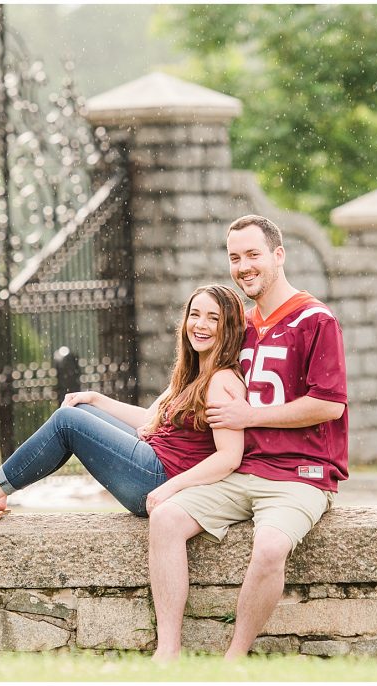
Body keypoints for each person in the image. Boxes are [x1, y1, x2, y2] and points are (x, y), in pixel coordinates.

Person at [147, 215, 348, 661]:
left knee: (271, 547)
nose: (243, 266)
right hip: (242, 470)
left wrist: (250, 413)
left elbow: (329, 405)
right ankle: (168, 653)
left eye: (253, 255)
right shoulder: (242, 324)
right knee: (165, 521)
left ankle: (233, 660)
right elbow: (197, 373)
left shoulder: (316, 319)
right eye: (235, 257)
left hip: (300, 474)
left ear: (278, 255)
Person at [0, 284, 248, 522]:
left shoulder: (221, 380)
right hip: (153, 463)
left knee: (67, 422)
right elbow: (150, 421)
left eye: (213, 318)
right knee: (78, 411)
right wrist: (95, 399)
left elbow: (229, 457)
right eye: (195, 315)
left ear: (229, 327)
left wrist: (170, 488)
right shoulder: (193, 372)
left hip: (158, 480)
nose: (200, 325)